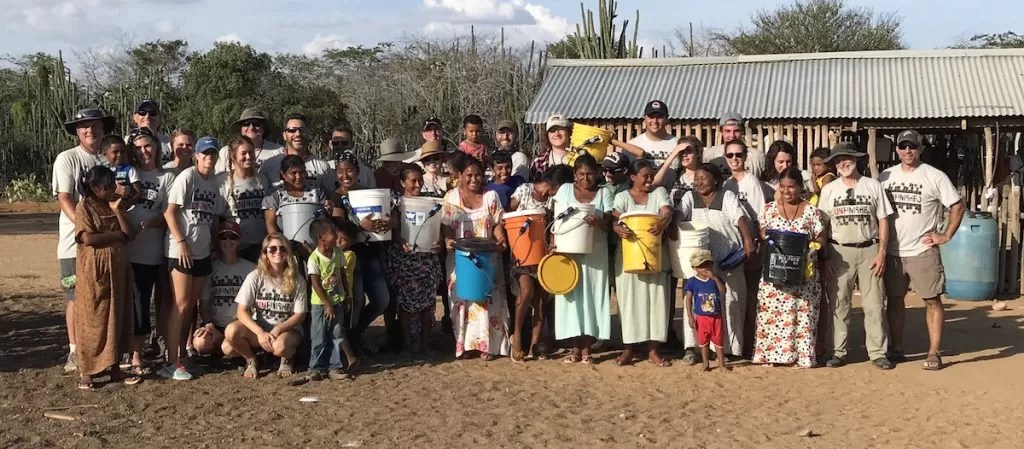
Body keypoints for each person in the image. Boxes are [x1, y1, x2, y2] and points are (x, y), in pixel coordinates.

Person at [879, 129, 965, 371]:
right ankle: (896, 349)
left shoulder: (934, 176)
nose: (908, 150)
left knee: (931, 300)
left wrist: (945, 235)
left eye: (913, 146)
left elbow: (957, 205)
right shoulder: (885, 176)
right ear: (896, 149)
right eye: (903, 146)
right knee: (894, 300)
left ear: (921, 149)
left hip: (922, 250)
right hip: (893, 251)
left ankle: (934, 352)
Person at [818, 142, 894, 370]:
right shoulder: (829, 190)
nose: (843, 163)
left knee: (875, 304)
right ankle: (838, 351)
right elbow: (822, 224)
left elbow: (883, 220)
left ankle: (878, 352)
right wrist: (826, 257)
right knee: (839, 303)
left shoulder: (872, 186)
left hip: (869, 249)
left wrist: (881, 252)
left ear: (857, 160)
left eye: (847, 158)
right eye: (838, 160)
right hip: (839, 250)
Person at [53, 108, 115, 373]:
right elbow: (64, 197)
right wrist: (84, 225)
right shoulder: (68, 159)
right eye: (84, 126)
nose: (90, 130)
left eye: (95, 125)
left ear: (103, 128)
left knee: (103, 297)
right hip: (74, 243)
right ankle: (75, 350)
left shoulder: (110, 159)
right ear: (77, 132)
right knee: (77, 297)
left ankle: (102, 352)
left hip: (107, 243)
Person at [676, 163, 756, 363]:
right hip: (699, 260)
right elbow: (680, 214)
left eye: (703, 178)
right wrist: (674, 223)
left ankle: (726, 349)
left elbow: (741, 219)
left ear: (716, 180)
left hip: (726, 259)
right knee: (696, 300)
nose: (698, 182)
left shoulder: (727, 196)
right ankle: (693, 347)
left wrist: (747, 239)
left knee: (729, 302)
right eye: (696, 179)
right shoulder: (689, 198)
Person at [161, 136, 226, 380]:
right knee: (181, 305)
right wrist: (181, 242)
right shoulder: (188, 177)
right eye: (205, 153)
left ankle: (182, 356)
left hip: (202, 252)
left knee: (191, 306)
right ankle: (171, 361)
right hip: (182, 250)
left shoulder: (213, 185)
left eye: (213, 154)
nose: (209, 157)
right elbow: (170, 212)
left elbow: (214, 217)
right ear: (196, 156)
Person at [73, 166, 139, 389]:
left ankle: (114, 367)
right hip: (95, 272)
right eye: (108, 186)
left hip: (118, 272)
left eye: (113, 184)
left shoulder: (114, 204)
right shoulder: (85, 207)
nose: (113, 189)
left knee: (117, 317)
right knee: (93, 319)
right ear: (94, 188)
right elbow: (88, 238)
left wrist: (118, 211)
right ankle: (87, 372)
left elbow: (129, 233)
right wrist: (115, 236)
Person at [752, 168, 826, 369]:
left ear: (800, 187)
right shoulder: (768, 209)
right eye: (782, 186)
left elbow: (820, 236)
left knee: (802, 314)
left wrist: (813, 248)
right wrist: (763, 233)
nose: (786, 191)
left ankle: (801, 357)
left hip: (803, 273)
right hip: (775, 272)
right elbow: (760, 232)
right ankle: (771, 355)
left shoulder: (811, 210)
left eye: (791, 187)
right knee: (772, 314)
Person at [440, 156, 511, 359]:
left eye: (478, 175)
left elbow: (498, 222)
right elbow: (445, 224)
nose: (474, 179)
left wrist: (501, 240)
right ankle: (465, 346)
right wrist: (448, 240)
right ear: (459, 176)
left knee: (488, 299)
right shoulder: (451, 197)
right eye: (469, 175)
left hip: (487, 258)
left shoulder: (491, 197)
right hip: (460, 258)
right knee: (461, 299)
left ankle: (487, 347)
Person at [611, 159, 674, 367]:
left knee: (656, 301)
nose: (649, 179)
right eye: (645, 176)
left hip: (655, 255)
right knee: (628, 302)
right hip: (628, 256)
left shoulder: (659, 193)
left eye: (651, 175)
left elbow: (667, 211)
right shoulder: (622, 196)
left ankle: (653, 350)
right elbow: (615, 218)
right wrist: (617, 227)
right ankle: (628, 348)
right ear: (632, 177)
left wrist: (662, 223)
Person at [330, 150, 394, 352]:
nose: (345, 175)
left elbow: (390, 214)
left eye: (349, 170)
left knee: (382, 300)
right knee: (355, 301)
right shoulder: (336, 198)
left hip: (371, 253)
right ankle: (353, 343)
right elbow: (338, 226)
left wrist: (389, 222)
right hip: (349, 256)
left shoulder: (368, 193)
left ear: (358, 172)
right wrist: (360, 228)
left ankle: (356, 333)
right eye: (340, 171)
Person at [552, 155, 613, 364]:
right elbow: (556, 219)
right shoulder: (565, 190)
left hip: (595, 253)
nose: (586, 178)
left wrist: (597, 221)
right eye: (581, 174)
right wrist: (554, 244)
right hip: (568, 251)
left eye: (589, 174)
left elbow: (609, 224)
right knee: (571, 297)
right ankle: (575, 348)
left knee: (593, 297)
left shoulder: (604, 193)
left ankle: (587, 349)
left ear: (596, 173)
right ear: (574, 175)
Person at [222, 234, 309, 379]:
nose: (278, 252)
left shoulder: (297, 279)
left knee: (279, 347)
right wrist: (259, 332)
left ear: (288, 252)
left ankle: (286, 358)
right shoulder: (255, 276)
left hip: (286, 329)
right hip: (261, 327)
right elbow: (241, 311)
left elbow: (300, 315)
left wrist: (279, 329)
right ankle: (251, 360)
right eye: (272, 249)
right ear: (265, 253)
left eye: (283, 249)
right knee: (230, 335)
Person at [125, 127, 175, 373]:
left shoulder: (167, 178)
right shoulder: (126, 174)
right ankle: (136, 355)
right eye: (138, 147)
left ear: (156, 147)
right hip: (134, 251)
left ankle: (168, 348)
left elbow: (171, 212)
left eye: (148, 146)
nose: (144, 151)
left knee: (165, 303)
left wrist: (153, 221)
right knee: (139, 303)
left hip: (161, 250)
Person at [387, 164, 444, 356]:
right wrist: (398, 241)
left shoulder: (430, 202)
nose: (418, 184)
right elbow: (393, 229)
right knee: (405, 305)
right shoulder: (396, 203)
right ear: (403, 182)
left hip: (427, 259)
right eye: (413, 181)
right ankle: (407, 346)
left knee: (427, 305)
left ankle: (425, 344)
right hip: (405, 260)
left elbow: (438, 229)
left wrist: (439, 243)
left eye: (420, 179)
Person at [722, 139, 770, 357]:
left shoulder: (752, 182)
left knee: (751, 299)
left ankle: (752, 346)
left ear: (745, 157)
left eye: (738, 155)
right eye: (730, 155)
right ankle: (735, 344)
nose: (734, 159)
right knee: (734, 298)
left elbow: (761, 216)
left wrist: (759, 243)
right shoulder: (725, 184)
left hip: (751, 246)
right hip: (732, 247)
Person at [306, 218, 358, 380]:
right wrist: (327, 304)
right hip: (320, 305)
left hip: (337, 300)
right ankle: (315, 367)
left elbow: (342, 274)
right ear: (321, 237)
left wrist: (347, 295)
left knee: (337, 334)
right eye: (332, 232)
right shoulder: (314, 259)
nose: (336, 236)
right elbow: (315, 283)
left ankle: (334, 366)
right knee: (319, 335)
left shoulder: (338, 253)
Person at [194, 222, 256, 356]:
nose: (228, 241)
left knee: (228, 348)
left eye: (232, 237)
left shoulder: (251, 269)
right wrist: (208, 323)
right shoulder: (211, 268)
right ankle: (221, 350)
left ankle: (240, 351)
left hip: (240, 325)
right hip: (217, 326)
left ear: (239, 241)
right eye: (223, 237)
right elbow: (204, 303)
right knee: (200, 343)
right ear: (218, 241)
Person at [530, 114, 644, 182]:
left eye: (560, 129)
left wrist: (610, 141)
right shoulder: (539, 162)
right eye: (552, 131)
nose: (556, 134)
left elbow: (640, 153)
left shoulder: (585, 155)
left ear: (569, 132)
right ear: (547, 135)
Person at [262, 154, 327, 261]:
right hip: (287, 251)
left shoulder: (316, 190)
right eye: (293, 173)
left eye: (302, 172)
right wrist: (283, 247)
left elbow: (324, 220)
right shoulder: (275, 193)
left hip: (315, 248)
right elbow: (270, 223)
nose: (299, 177)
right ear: (283, 174)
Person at [219, 135, 271, 263]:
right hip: (235, 246)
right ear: (233, 156)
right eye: (243, 153)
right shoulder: (222, 181)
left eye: (251, 152)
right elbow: (216, 218)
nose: (248, 157)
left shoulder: (263, 179)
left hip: (261, 245)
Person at [684, 249, 728, 372]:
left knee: (719, 342)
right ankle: (705, 363)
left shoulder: (715, 279)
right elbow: (688, 300)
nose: (705, 268)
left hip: (716, 317)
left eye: (707, 265)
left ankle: (721, 365)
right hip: (702, 317)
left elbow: (723, 291)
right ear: (694, 267)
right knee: (703, 343)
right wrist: (690, 316)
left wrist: (714, 278)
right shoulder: (692, 281)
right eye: (701, 266)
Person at [259, 113, 332, 187]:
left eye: (302, 130)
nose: (298, 134)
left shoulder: (322, 167)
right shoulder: (269, 165)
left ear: (308, 133)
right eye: (292, 130)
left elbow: (330, 195)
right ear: (284, 135)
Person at [626, 100, 681, 186]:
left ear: (667, 118)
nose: (655, 121)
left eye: (659, 117)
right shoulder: (633, 145)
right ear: (645, 118)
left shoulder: (677, 144)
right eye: (651, 117)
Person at [215, 107, 284, 174]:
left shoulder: (279, 151)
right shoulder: (226, 152)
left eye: (256, 124)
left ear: (263, 128)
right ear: (240, 129)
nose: (251, 127)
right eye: (246, 124)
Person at [703, 112, 765, 178]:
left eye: (736, 131)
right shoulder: (709, 156)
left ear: (742, 131)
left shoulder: (757, 156)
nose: (732, 135)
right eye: (728, 131)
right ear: (721, 131)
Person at [654, 136, 703, 202]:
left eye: (688, 151)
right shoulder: (672, 174)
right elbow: (654, 183)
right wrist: (673, 153)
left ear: (698, 153)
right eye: (681, 151)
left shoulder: (704, 176)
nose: (684, 155)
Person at [102, 135, 141, 204]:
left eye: (122, 151)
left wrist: (125, 205)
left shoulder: (130, 170)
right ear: (105, 154)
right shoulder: (102, 170)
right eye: (115, 152)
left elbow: (138, 193)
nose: (119, 155)